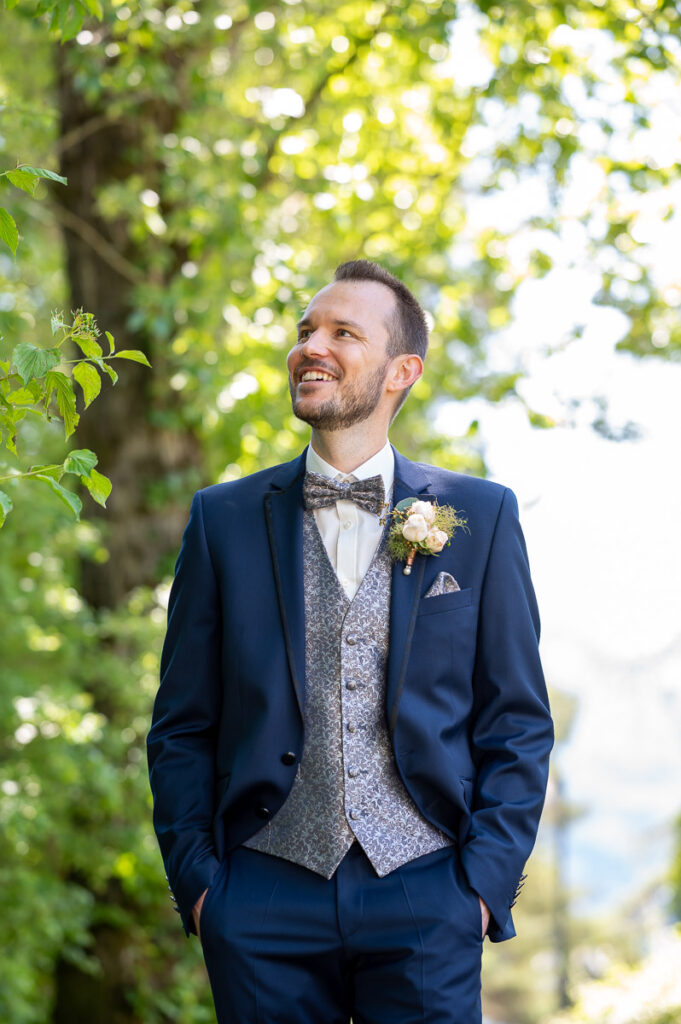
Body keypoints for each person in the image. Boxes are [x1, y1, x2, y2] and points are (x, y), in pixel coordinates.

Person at [147, 259, 554, 1023]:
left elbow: (516, 722)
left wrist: (478, 887)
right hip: (260, 892)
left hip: (428, 888)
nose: (311, 347)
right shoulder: (222, 520)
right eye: (305, 331)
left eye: (342, 332)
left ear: (402, 370)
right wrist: (204, 889)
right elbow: (182, 725)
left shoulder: (482, 516)